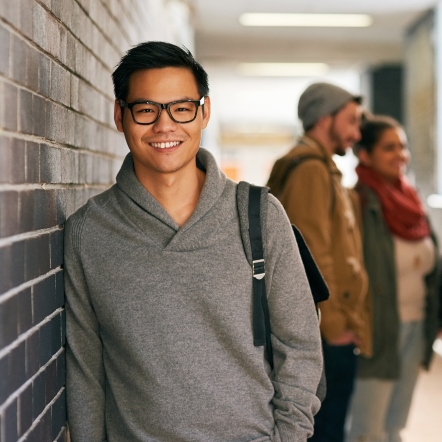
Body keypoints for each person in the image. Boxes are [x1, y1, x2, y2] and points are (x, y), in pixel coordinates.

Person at [64, 41, 323, 442]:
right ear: (120, 115)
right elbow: (85, 373)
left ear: (203, 112)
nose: (164, 126)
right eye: (146, 109)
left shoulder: (259, 215)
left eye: (181, 108)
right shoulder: (89, 232)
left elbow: (300, 347)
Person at [267, 82, 372, 442]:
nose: (357, 133)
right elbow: (312, 257)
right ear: (324, 119)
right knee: (327, 431)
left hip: (327, 329)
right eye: (351, 121)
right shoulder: (310, 170)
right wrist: (336, 326)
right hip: (326, 332)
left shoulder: (320, 168)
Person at [346, 115, 440, 442]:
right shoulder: (357, 203)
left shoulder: (413, 204)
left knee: (396, 424)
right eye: (389, 147)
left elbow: (431, 269)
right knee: (367, 429)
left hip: (416, 326)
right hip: (378, 330)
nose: (400, 154)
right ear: (365, 155)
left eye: (402, 146)